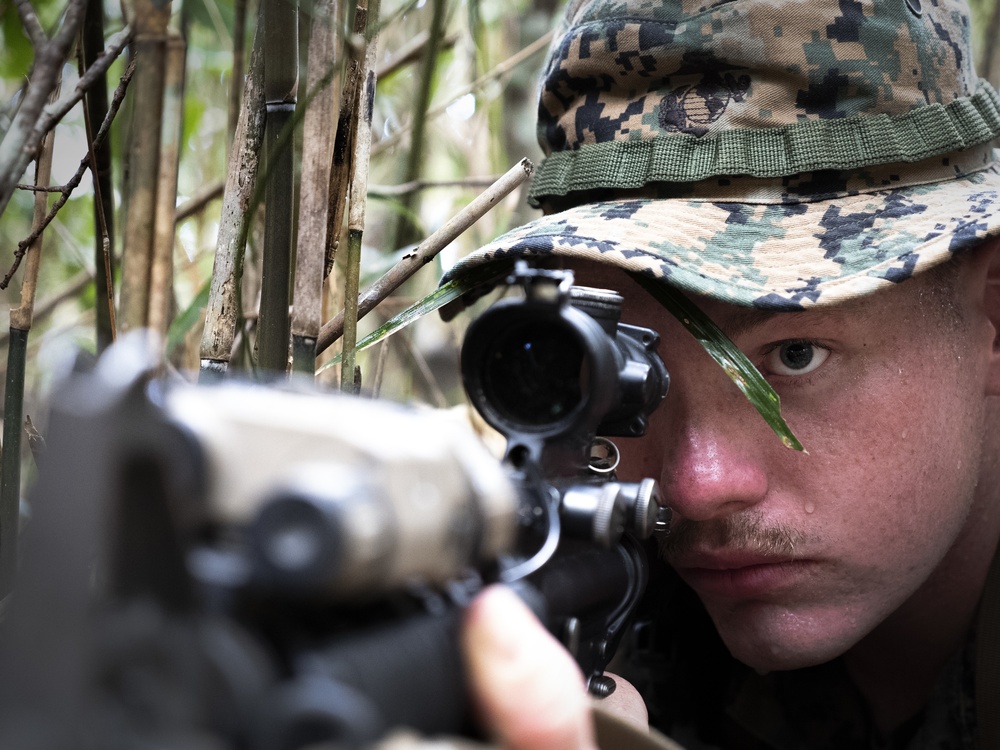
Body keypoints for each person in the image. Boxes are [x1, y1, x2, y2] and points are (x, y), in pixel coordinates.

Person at [442, 0, 1000, 747]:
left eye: (794, 355)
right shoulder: (578, 585)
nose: (697, 487)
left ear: (992, 312)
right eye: (630, 372)